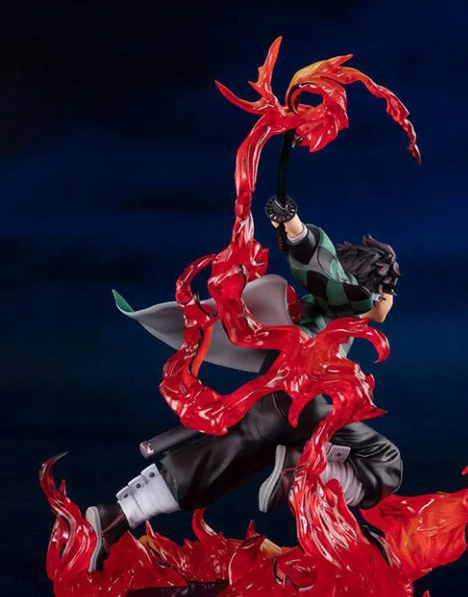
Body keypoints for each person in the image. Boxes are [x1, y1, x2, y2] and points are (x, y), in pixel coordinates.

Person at [85, 203, 403, 572]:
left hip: (271, 404)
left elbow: (322, 272)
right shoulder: (351, 299)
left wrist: (294, 232)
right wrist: (296, 228)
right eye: (390, 293)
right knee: (385, 461)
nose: (391, 302)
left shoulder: (320, 307)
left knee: (217, 462)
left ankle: (114, 517)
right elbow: (322, 269)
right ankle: (301, 465)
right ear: (378, 291)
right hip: (304, 399)